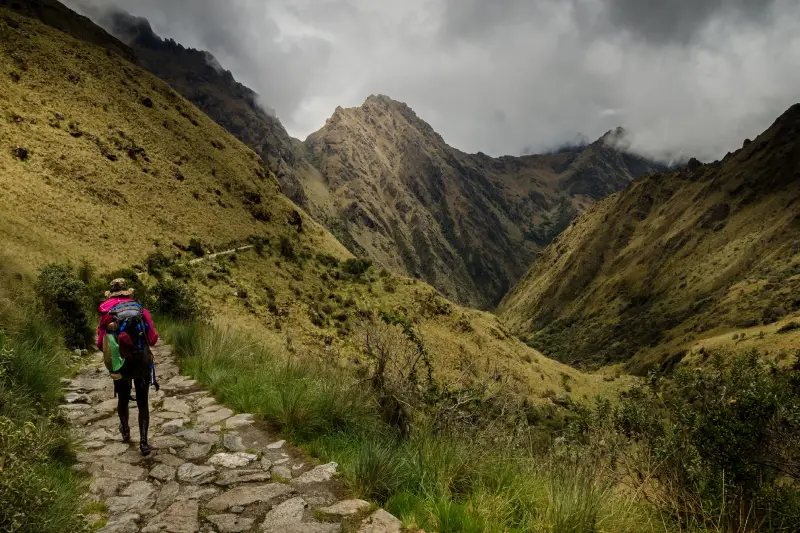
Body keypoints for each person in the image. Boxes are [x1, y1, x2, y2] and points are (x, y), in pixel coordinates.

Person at [97, 278, 159, 456]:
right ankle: (144, 443)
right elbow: (153, 339)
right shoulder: (140, 309)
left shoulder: (106, 312)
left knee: (123, 398)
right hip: (141, 362)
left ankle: (125, 430)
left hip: (120, 364)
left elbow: (100, 343)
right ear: (127, 292)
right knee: (143, 402)